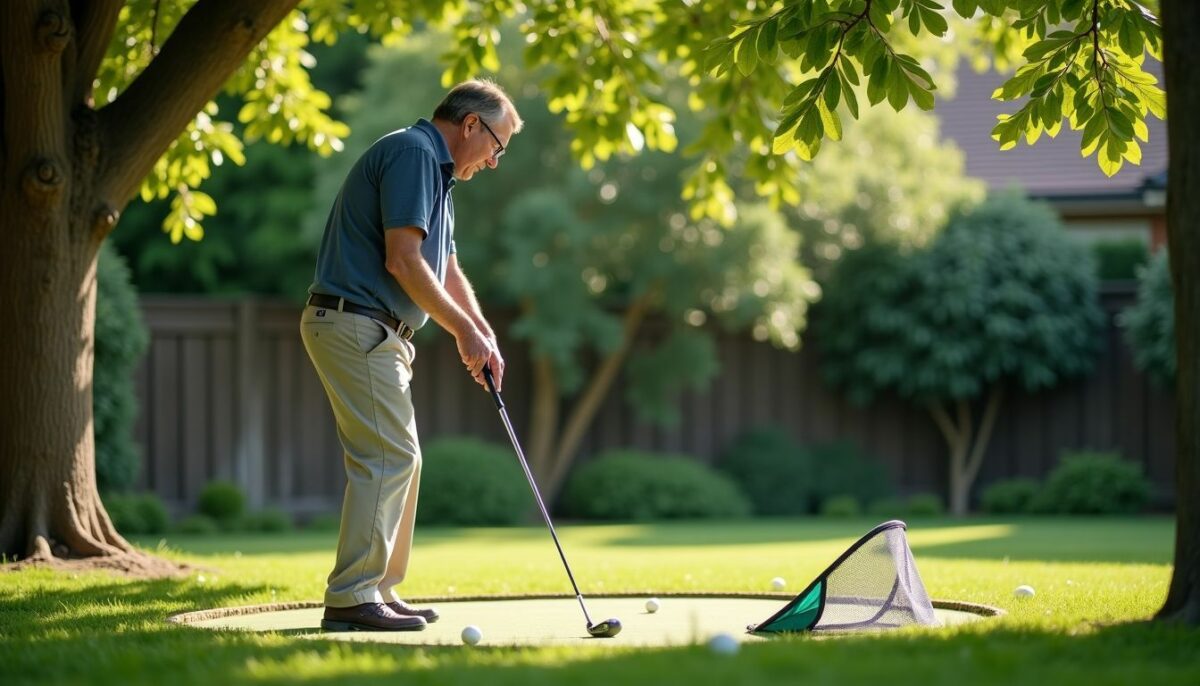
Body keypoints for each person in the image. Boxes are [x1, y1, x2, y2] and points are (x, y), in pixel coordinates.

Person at [300, 80, 522, 632]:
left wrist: (480, 330)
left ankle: (374, 589)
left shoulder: (437, 176)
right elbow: (403, 261)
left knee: (402, 458)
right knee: (388, 457)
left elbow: (442, 265)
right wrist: (462, 333)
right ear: (471, 124)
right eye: (499, 145)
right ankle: (352, 596)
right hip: (357, 321)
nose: (496, 161)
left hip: (375, 329)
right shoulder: (413, 153)